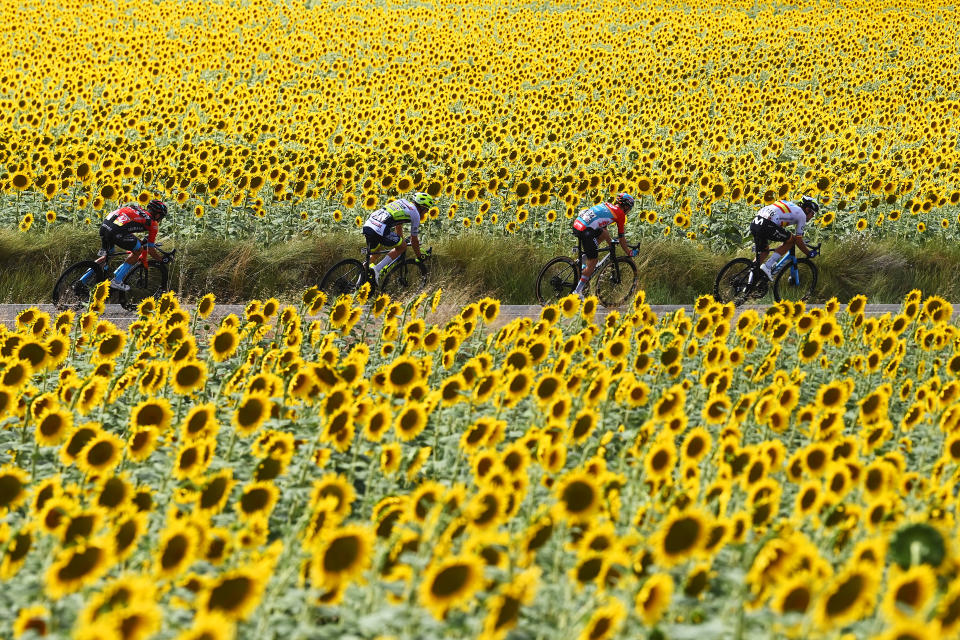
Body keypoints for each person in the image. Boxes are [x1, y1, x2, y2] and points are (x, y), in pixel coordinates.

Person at [81, 199, 169, 291]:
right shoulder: (152, 223)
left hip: (104, 227)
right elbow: (150, 249)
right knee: (138, 250)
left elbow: (124, 226)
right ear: (158, 214)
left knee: (108, 256)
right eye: (161, 216)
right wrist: (161, 259)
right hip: (117, 232)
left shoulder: (136, 208)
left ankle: (81, 280)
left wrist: (139, 241)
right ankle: (117, 281)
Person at [571, 193, 638, 297]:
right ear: (625, 206)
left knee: (601, 234)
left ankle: (583, 261)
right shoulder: (620, 215)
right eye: (629, 208)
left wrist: (610, 242)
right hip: (586, 231)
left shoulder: (607, 205)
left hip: (578, 224)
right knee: (593, 261)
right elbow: (621, 238)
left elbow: (604, 229)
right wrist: (629, 252)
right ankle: (577, 292)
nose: (629, 211)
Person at [362, 192, 434, 283]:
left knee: (376, 253)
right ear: (422, 207)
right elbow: (414, 239)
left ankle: (361, 274)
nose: (426, 213)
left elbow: (398, 225)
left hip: (369, 225)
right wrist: (419, 256)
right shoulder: (415, 214)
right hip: (380, 228)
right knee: (403, 247)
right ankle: (377, 269)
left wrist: (400, 240)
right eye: (426, 210)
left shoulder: (402, 202)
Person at [751, 195, 819, 280]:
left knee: (764, 251)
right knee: (791, 240)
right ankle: (768, 266)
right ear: (807, 209)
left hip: (755, 222)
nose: (812, 216)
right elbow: (798, 239)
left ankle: (750, 280)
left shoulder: (790, 206)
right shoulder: (802, 214)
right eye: (813, 213)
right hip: (767, 224)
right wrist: (809, 253)